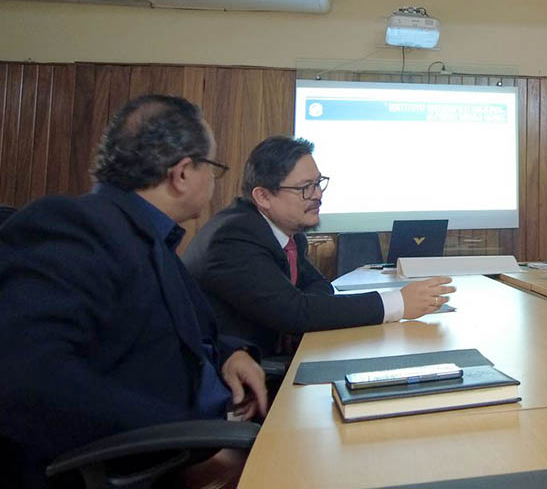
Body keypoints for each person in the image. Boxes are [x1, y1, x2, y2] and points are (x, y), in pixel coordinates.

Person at [0, 95, 266, 488]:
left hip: (209, 435)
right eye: (212, 168)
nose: (213, 180)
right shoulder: (75, 226)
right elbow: (28, 379)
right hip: (156, 465)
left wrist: (230, 353)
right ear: (182, 174)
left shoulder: (148, 234)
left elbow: (163, 330)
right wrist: (188, 444)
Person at [183, 136, 455, 359]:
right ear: (263, 196)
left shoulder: (290, 233)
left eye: (318, 183)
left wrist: (299, 312)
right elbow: (295, 312)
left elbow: (316, 286)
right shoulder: (234, 237)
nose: (318, 195)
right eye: (305, 188)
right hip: (232, 376)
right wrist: (398, 302)